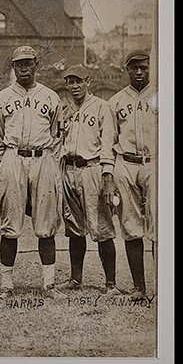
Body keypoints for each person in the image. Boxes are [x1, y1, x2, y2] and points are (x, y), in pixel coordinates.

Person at [0, 45, 64, 299]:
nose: (23, 67)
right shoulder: (1, 98)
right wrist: (3, 164)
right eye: (18, 63)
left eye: (28, 63)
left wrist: (50, 162)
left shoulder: (51, 97)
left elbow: (56, 135)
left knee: (45, 224)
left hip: (43, 158)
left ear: (36, 65)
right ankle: (6, 285)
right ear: (13, 67)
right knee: (10, 224)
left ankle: (49, 284)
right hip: (13, 157)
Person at [58, 65, 122, 295]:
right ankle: (76, 279)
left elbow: (108, 144)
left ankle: (111, 284)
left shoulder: (102, 107)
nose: (74, 86)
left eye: (78, 82)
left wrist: (107, 176)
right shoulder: (65, 110)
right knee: (74, 227)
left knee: (101, 227)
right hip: (70, 169)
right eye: (70, 82)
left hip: (92, 168)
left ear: (88, 82)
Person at [108, 50, 158, 301]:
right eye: (134, 68)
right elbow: (109, 141)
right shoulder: (116, 101)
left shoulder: (161, 96)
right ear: (126, 70)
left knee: (160, 225)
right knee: (130, 226)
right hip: (125, 163)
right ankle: (140, 288)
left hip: (156, 163)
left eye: (144, 67)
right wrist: (109, 178)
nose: (139, 72)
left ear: (151, 68)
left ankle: (162, 289)